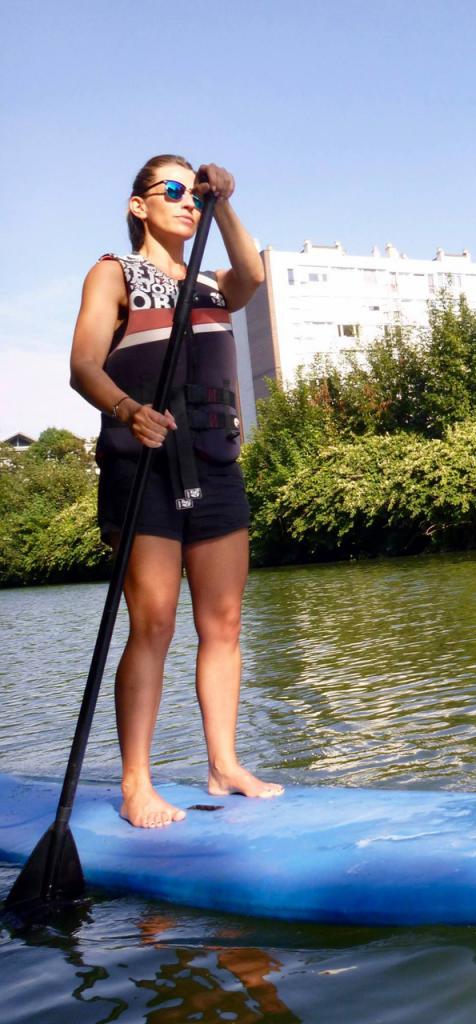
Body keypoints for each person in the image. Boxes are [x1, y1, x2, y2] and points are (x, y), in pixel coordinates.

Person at [70, 155, 283, 828]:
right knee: (154, 624)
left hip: (215, 464)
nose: (186, 202)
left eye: (194, 193)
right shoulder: (114, 273)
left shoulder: (214, 284)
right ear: (138, 205)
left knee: (222, 624)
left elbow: (252, 275)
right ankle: (137, 783)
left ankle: (223, 764)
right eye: (172, 190)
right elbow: (82, 365)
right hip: (146, 468)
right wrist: (129, 409)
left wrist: (227, 202)